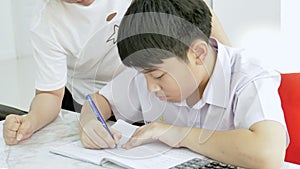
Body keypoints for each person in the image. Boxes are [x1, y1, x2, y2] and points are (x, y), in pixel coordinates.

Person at [79, 0, 288, 168]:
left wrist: (179, 134)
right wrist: (89, 122)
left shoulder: (249, 76)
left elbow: (267, 155)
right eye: (144, 75)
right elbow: (98, 101)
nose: (150, 87)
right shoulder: (150, 70)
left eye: (159, 76)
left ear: (198, 53)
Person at [3, 0, 229, 145]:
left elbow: (194, 11)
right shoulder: (47, 21)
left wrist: (229, 68)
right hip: (98, 100)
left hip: (155, 86)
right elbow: (50, 95)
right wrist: (30, 121)